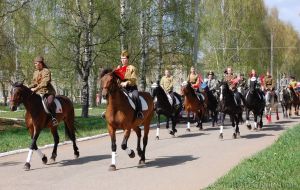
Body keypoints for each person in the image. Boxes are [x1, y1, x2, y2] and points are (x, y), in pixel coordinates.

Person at [28, 56, 58, 126]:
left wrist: (35, 89)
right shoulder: (35, 72)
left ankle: (54, 118)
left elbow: (44, 82)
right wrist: (27, 87)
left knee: (49, 103)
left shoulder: (46, 71)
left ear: (41, 63)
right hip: (38, 92)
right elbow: (35, 83)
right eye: (34, 64)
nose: (35, 65)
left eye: (36, 63)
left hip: (48, 92)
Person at [113, 50, 144, 119]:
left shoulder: (132, 68)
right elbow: (115, 79)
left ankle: (139, 112)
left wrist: (127, 82)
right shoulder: (119, 69)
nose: (123, 60)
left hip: (131, 88)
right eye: (122, 59)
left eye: (125, 59)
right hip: (122, 88)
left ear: (127, 59)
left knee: (136, 96)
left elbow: (134, 79)